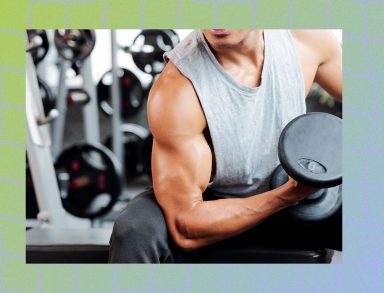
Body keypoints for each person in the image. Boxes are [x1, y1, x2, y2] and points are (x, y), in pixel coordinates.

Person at [109, 29, 342, 263]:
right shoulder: (177, 89)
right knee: (135, 229)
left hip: (299, 193)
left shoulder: (306, 41)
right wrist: (286, 196)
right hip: (216, 206)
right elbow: (185, 226)